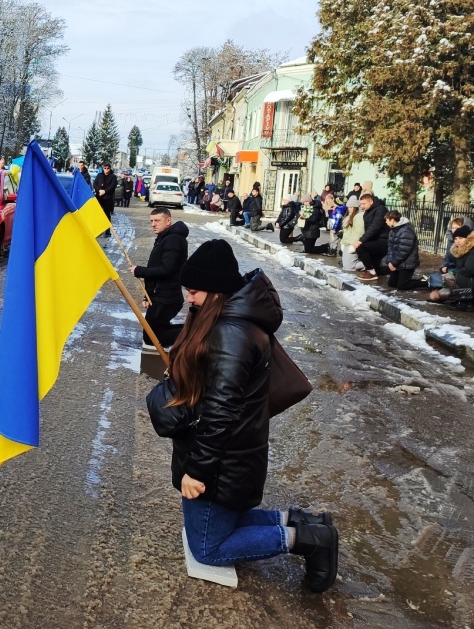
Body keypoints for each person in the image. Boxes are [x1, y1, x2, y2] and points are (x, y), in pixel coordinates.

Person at [146, 239, 339, 592]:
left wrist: (197, 470)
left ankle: (306, 539)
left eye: (195, 292)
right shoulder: (224, 319)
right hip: (230, 455)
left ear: (218, 290)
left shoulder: (230, 333)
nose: (189, 298)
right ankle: (300, 521)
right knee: (223, 522)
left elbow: (221, 413)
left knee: (207, 547)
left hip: (221, 461)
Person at [131, 208, 189, 349]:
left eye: (157, 220)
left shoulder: (173, 239)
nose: (153, 224)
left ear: (168, 221)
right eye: (151, 221)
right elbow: (158, 267)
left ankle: (196, 333)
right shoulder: (165, 237)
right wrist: (147, 295)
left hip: (167, 298)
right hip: (161, 296)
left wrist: (140, 271)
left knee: (152, 337)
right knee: (157, 331)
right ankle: (192, 333)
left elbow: (166, 269)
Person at [382, 211, 423, 290]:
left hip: (407, 263)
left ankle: (425, 283)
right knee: (392, 284)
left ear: (392, 220)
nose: (386, 222)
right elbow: (390, 248)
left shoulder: (406, 231)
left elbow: (403, 251)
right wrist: (390, 262)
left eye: (387, 220)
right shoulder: (393, 230)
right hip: (398, 262)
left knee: (402, 285)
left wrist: (393, 263)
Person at [432, 226, 472, 304]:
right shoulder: (458, 251)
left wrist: (451, 273)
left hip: (470, 280)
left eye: (460, 238)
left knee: (448, 277)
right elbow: (454, 265)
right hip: (462, 278)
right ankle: (459, 298)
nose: (457, 241)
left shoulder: (472, 251)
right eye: (456, 239)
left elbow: (469, 270)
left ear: (467, 238)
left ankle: (465, 301)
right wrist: (446, 269)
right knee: (442, 294)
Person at [355, 193, 390, 281]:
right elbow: (368, 228)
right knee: (377, 269)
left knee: (361, 247)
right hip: (375, 240)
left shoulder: (381, 210)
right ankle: (394, 271)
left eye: (364, 204)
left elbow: (374, 227)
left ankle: (371, 272)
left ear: (371, 202)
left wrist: (361, 240)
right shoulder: (368, 211)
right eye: (361, 204)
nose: (362, 206)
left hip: (384, 240)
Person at [339, 198, 366, 272]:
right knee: (346, 266)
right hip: (347, 243)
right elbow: (346, 233)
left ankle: (370, 264)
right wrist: (342, 243)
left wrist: (353, 245)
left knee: (349, 267)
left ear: (355, 207)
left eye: (351, 207)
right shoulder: (348, 217)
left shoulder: (359, 216)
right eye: (348, 207)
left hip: (352, 243)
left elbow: (358, 232)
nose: (349, 209)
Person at [94, 162, 117, 237]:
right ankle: (98, 230)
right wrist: (99, 190)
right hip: (99, 197)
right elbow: (95, 184)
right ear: (103, 169)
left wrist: (105, 191)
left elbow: (112, 186)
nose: (106, 170)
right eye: (105, 168)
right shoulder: (99, 175)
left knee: (107, 215)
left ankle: (107, 231)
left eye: (108, 168)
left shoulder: (113, 177)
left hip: (108, 198)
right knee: (97, 214)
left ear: (110, 169)